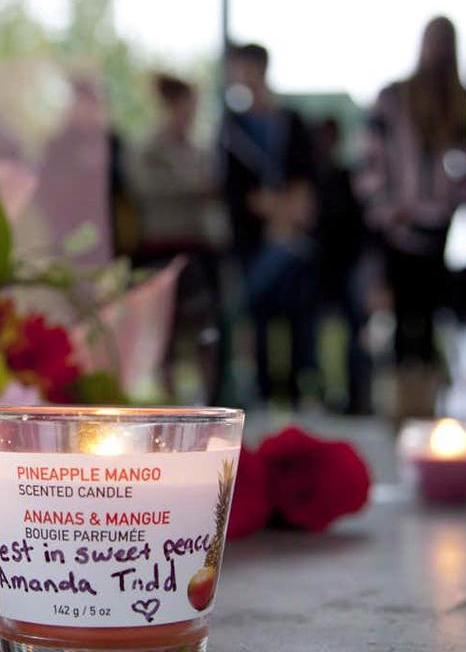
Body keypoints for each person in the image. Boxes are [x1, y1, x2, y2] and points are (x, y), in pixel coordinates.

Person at [356, 16, 466, 418]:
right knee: (400, 318)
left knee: (429, 317)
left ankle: (426, 405)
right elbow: (369, 160)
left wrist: (451, 203)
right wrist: (386, 210)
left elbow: (464, 165)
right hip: (396, 226)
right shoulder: (394, 97)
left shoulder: (457, 102)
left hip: (437, 228)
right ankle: (400, 407)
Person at [218, 42, 318, 404]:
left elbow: (306, 175)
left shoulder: (289, 121)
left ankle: (296, 387)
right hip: (255, 236)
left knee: (296, 313)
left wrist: (291, 212)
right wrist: (272, 210)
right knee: (256, 314)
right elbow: (233, 189)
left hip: (291, 235)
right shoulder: (234, 128)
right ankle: (261, 389)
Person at [127, 74, 225, 402]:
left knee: (202, 326)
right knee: (165, 330)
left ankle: (204, 398)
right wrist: (191, 188)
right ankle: (167, 398)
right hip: (161, 247)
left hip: (197, 249)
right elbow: (144, 188)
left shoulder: (198, 151)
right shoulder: (148, 148)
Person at [314, 118, 373, 414]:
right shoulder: (314, 179)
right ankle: (324, 391)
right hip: (322, 268)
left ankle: (358, 394)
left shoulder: (346, 177)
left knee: (355, 332)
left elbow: (360, 223)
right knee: (324, 335)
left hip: (348, 264)